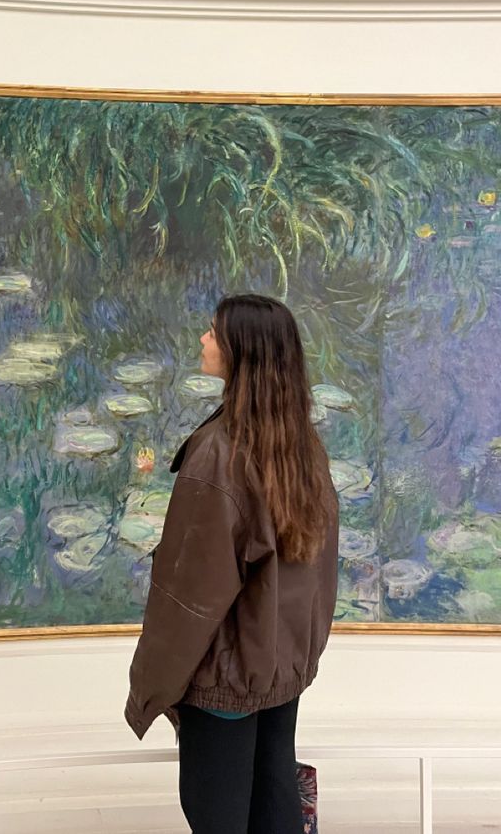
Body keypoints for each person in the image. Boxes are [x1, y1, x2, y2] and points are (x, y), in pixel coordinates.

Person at [124, 293, 339, 834]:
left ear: (242, 352)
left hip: (225, 679)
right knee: (274, 807)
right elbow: (318, 575)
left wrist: (149, 691)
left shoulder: (219, 454)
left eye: (213, 334)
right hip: (278, 673)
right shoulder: (302, 444)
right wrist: (299, 660)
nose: (203, 340)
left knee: (216, 815)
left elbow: (189, 597)